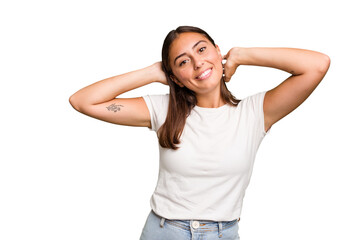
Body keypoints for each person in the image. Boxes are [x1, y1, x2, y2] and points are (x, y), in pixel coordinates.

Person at [69, 26, 330, 240]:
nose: (197, 63)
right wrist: (151, 72)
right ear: (176, 78)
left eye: (202, 49)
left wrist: (242, 55)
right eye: (183, 62)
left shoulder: (254, 113)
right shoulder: (164, 109)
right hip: (164, 232)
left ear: (217, 51)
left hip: (222, 234)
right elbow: (83, 101)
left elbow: (317, 65)